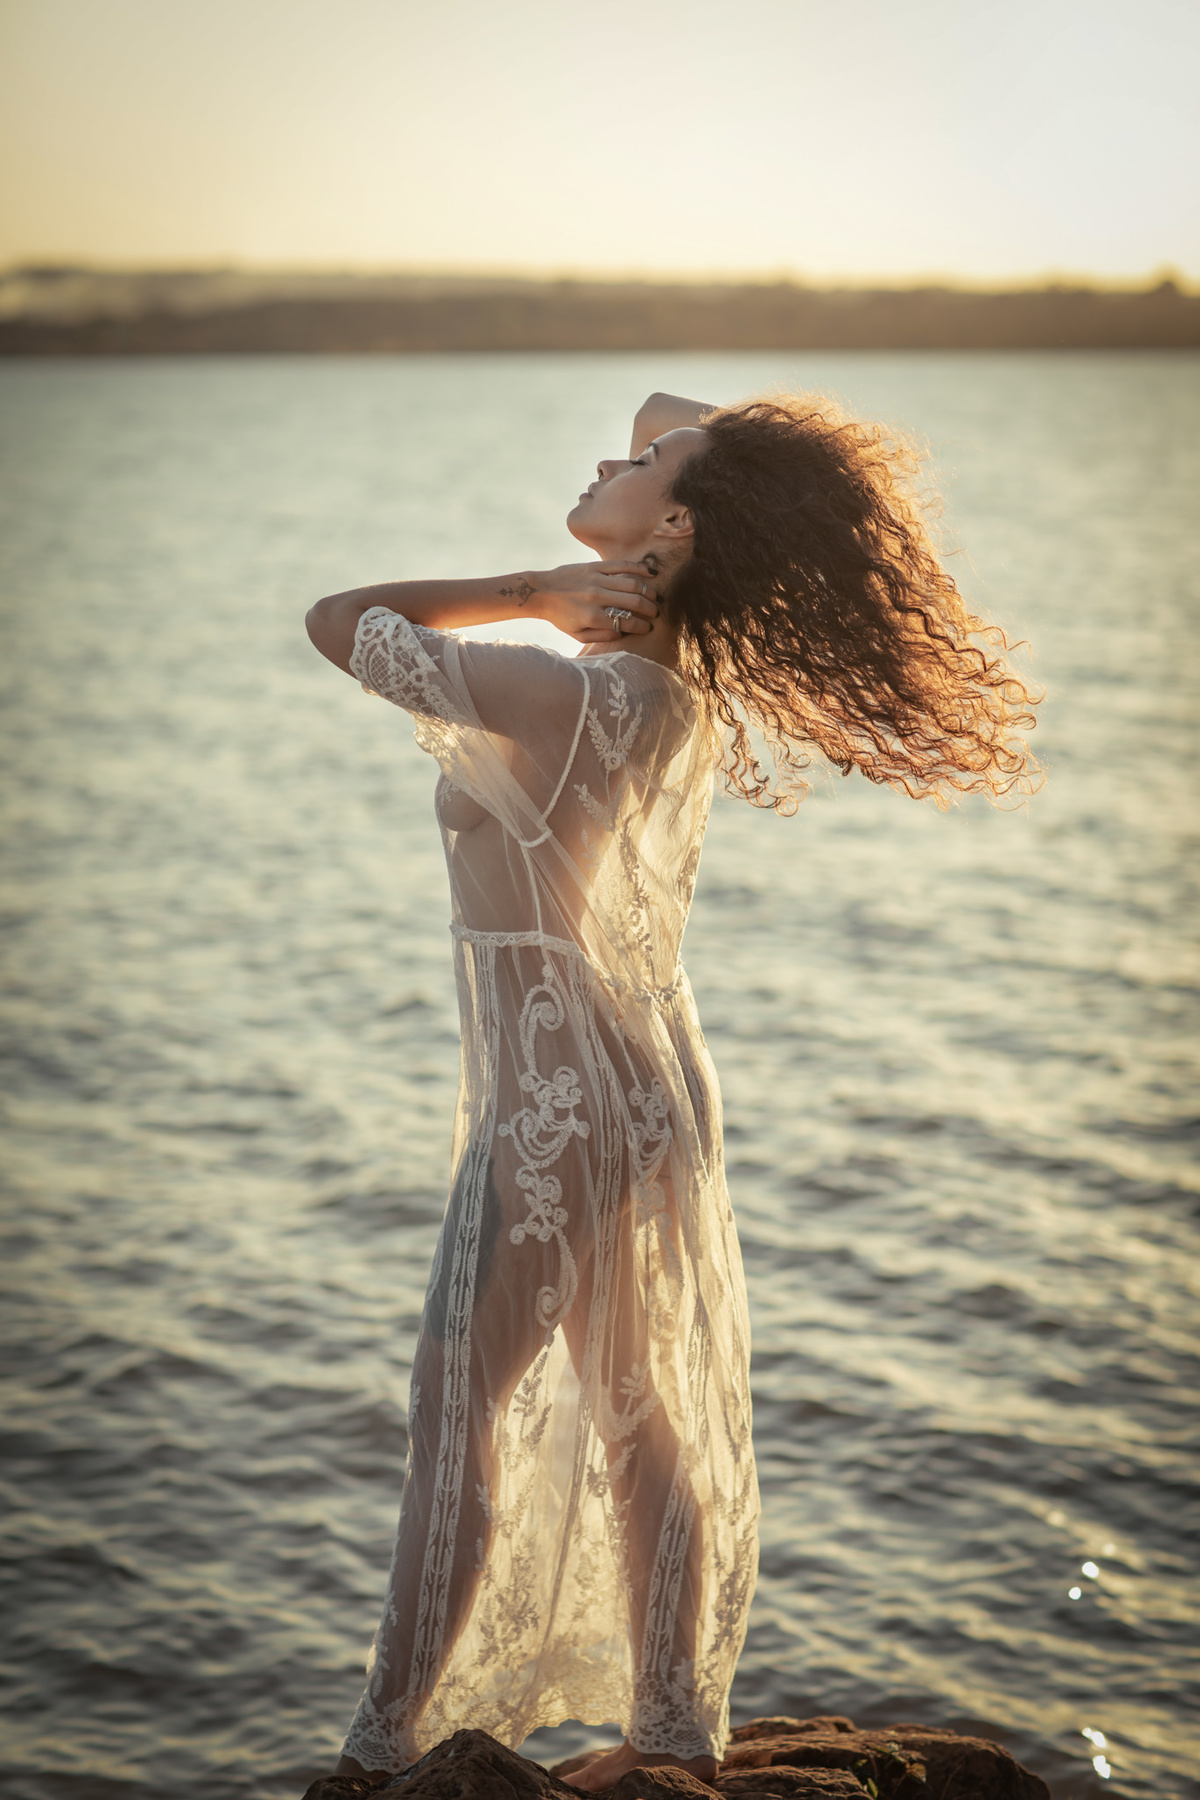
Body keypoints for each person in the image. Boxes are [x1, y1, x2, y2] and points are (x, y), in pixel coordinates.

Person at [305, 390, 1039, 1792]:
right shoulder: (667, 697)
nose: (608, 454)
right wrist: (670, 504)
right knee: (637, 1404)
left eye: (642, 469)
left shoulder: (565, 688)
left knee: (455, 1402)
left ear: (684, 528)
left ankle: (374, 1752)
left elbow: (340, 618)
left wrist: (537, 586)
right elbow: (679, 415)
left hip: (560, 1094)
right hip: (637, 1086)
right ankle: (669, 1735)